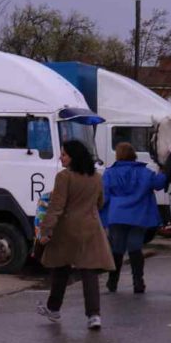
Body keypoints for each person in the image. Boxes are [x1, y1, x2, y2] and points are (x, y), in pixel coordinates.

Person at [35, 140, 114, 330]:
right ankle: (94, 315)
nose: (60, 157)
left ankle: (54, 309)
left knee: (61, 268)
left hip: (67, 228)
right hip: (91, 228)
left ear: (73, 157)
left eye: (63, 154)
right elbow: (101, 202)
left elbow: (56, 207)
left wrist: (45, 231)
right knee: (89, 271)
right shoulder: (95, 177)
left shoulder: (64, 177)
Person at [100, 142, 168, 294]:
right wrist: (164, 171)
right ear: (134, 155)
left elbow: (103, 196)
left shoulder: (109, 173)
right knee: (135, 248)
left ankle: (112, 282)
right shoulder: (145, 173)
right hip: (138, 216)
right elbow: (158, 184)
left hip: (116, 216)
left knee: (117, 249)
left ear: (118, 155)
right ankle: (138, 282)